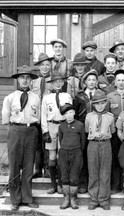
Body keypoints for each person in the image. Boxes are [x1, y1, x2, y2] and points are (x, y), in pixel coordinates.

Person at [2, 65, 40, 210]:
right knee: (14, 166)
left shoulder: (36, 97)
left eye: (27, 77)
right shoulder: (10, 98)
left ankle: (27, 197)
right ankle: (15, 199)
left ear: (31, 80)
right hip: (15, 130)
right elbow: (5, 119)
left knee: (29, 166)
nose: (25, 80)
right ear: (17, 79)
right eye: (22, 77)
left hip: (31, 131)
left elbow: (39, 117)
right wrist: (15, 130)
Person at [41, 72, 73, 195]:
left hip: (64, 126)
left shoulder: (67, 96)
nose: (58, 84)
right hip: (51, 126)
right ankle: (52, 184)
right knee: (52, 157)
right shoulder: (46, 97)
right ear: (51, 84)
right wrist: (45, 131)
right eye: (55, 82)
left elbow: (69, 113)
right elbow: (43, 115)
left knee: (61, 157)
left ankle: (60, 184)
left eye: (60, 81)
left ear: (63, 83)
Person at [85, 90, 115, 210]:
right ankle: (93, 198)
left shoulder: (110, 117)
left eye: (102, 103)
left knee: (105, 172)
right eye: (97, 103)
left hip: (105, 144)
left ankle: (103, 199)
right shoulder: (89, 116)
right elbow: (87, 130)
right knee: (93, 171)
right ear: (93, 105)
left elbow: (112, 131)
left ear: (106, 103)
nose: (100, 106)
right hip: (92, 144)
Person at [73, 69, 102, 194]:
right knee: (83, 157)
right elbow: (74, 114)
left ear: (96, 82)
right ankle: (83, 183)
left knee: (96, 158)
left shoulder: (101, 95)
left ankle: (97, 184)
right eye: (89, 80)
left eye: (93, 80)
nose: (91, 82)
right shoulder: (79, 96)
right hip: (83, 130)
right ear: (85, 81)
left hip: (97, 130)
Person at [58, 103, 85, 210]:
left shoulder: (80, 125)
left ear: (74, 113)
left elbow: (83, 141)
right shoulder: (61, 126)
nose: (69, 115)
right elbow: (60, 139)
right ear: (63, 116)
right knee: (64, 174)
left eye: (70, 113)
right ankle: (66, 199)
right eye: (66, 114)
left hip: (76, 152)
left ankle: (73, 199)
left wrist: (78, 151)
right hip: (64, 152)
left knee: (74, 175)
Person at [31, 53, 54, 179]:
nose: (45, 67)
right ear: (39, 67)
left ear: (50, 66)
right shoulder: (34, 81)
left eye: (47, 65)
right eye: (42, 65)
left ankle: (47, 169)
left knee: (47, 143)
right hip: (36, 117)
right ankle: (37, 169)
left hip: (48, 117)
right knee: (37, 145)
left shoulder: (53, 80)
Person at [107, 69, 124, 194]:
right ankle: (115, 185)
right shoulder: (110, 97)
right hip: (114, 132)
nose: (121, 83)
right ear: (115, 82)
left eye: (123, 80)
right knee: (115, 159)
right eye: (119, 80)